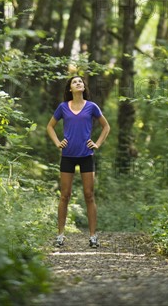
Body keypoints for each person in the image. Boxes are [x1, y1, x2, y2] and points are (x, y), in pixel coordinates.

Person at [47, 75, 110, 248]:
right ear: (70, 89)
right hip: (67, 155)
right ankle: (60, 235)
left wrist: (97, 143)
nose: (78, 83)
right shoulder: (63, 107)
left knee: (89, 196)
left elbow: (106, 126)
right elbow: (49, 126)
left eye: (80, 81)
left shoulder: (92, 107)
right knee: (64, 196)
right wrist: (58, 143)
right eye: (75, 82)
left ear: (84, 87)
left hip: (86, 156)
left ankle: (93, 236)